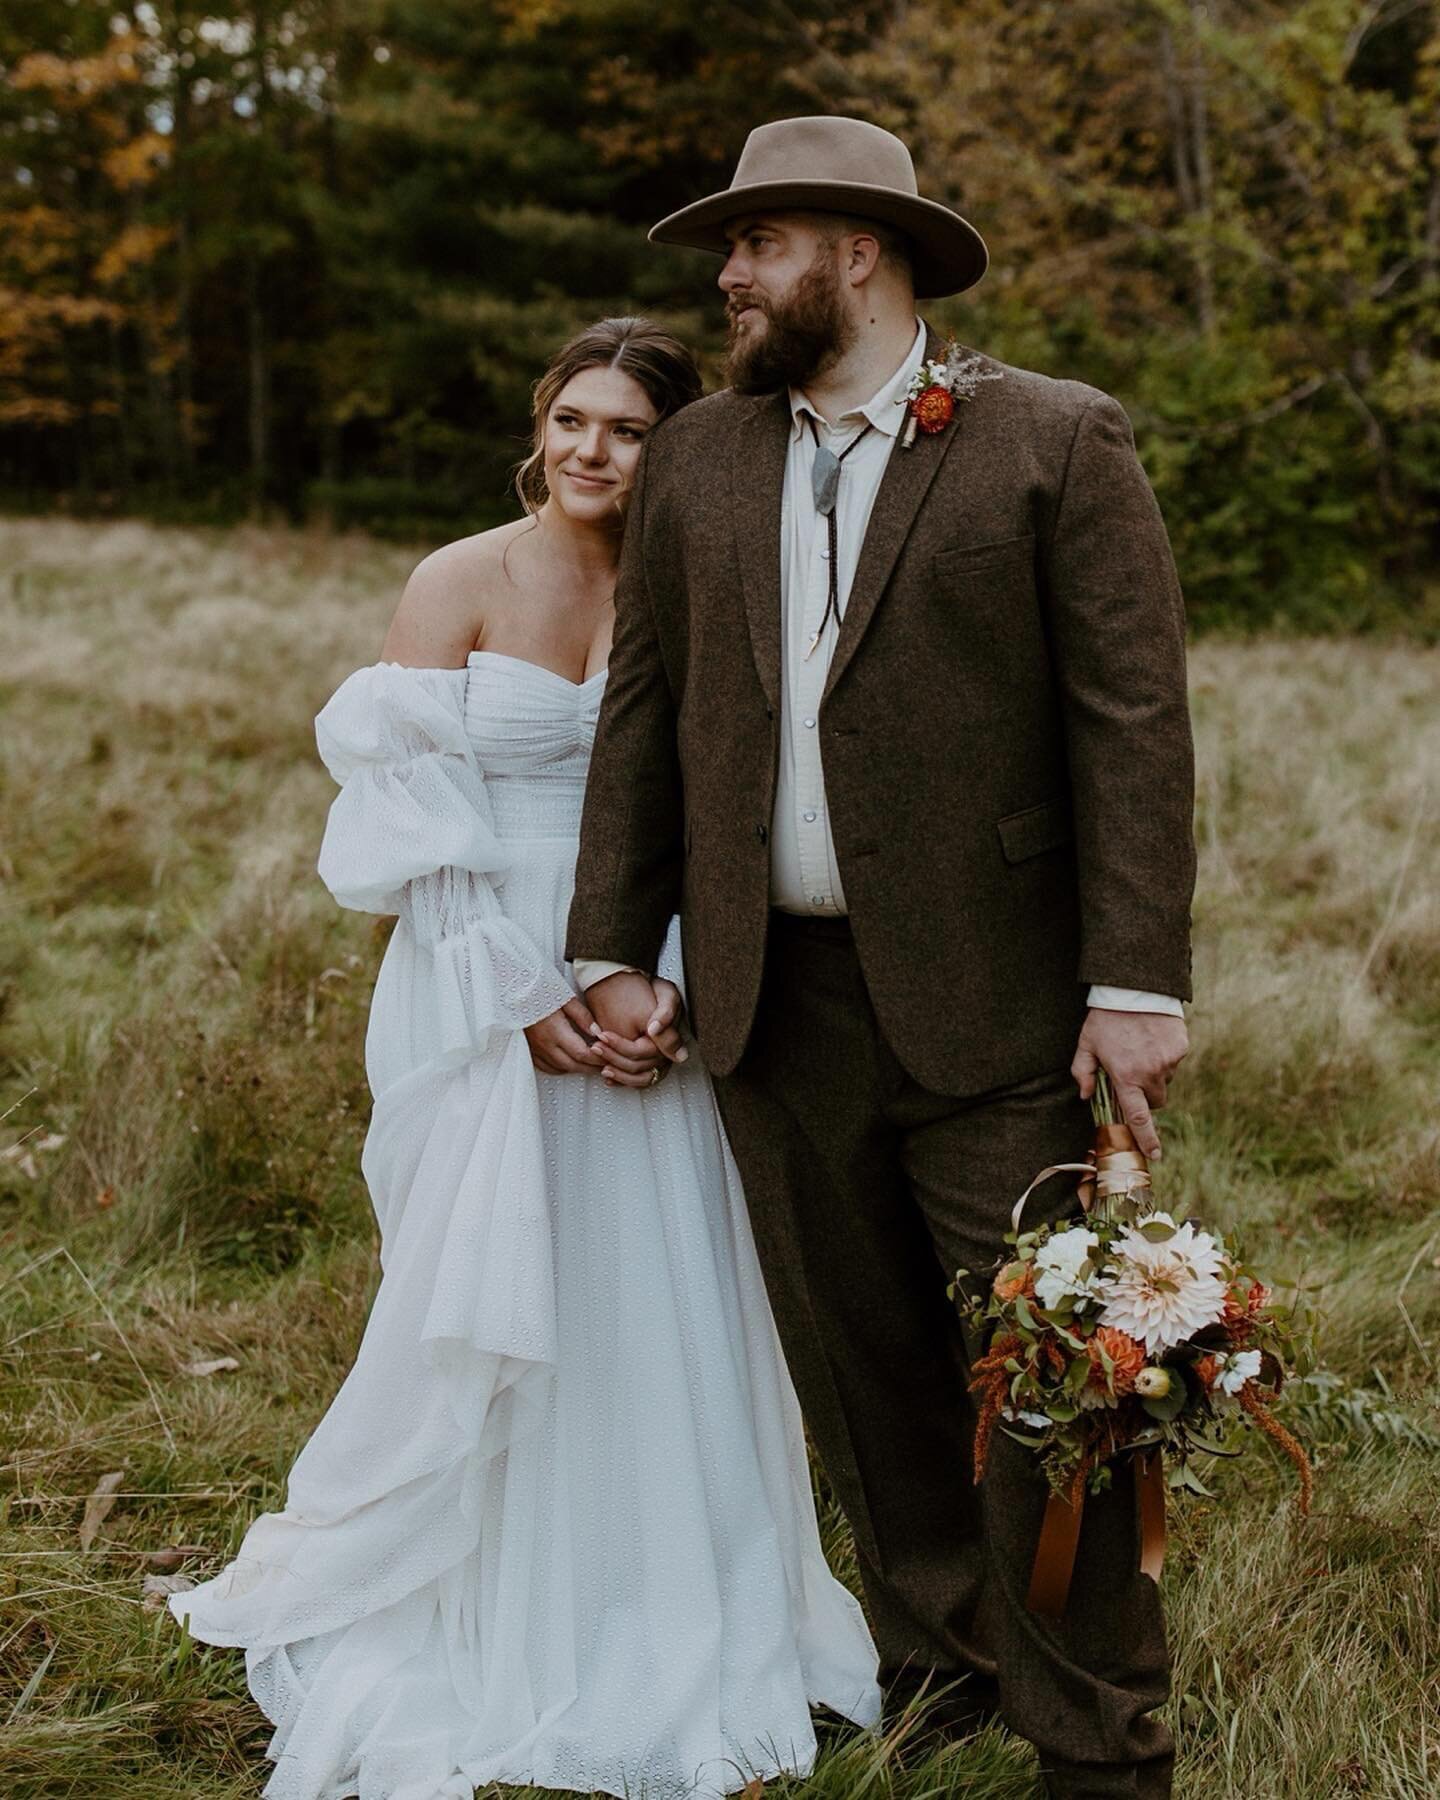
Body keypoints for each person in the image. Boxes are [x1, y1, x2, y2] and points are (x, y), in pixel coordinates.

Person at [567, 118, 1196, 1800]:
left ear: (856, 247)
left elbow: (1131, 724)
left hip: (1004, 1008)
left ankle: (1100, 1739)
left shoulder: (1055, 440)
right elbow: (647, 716)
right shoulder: (698, 455)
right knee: (864, 1367)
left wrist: (1134, 979)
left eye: (754, 241)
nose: (726, 274)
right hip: (774, 1005)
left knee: (1063, 1380)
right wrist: (612, 945)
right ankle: (942, 1666)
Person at [170, 315, 881, 1800]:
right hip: (473, 953)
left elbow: (734, 808)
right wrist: (517, 996)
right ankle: (474, 1585)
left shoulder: (703, 588)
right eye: (572, 421)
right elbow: (402, 820)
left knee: (666, 1273)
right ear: (541, 427)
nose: (590, 452)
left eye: (626, 430)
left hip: (657, 968)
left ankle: (669, 1599)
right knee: (488, 1278)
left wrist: (663, 982)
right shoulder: (457, 581)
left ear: (670, 445)